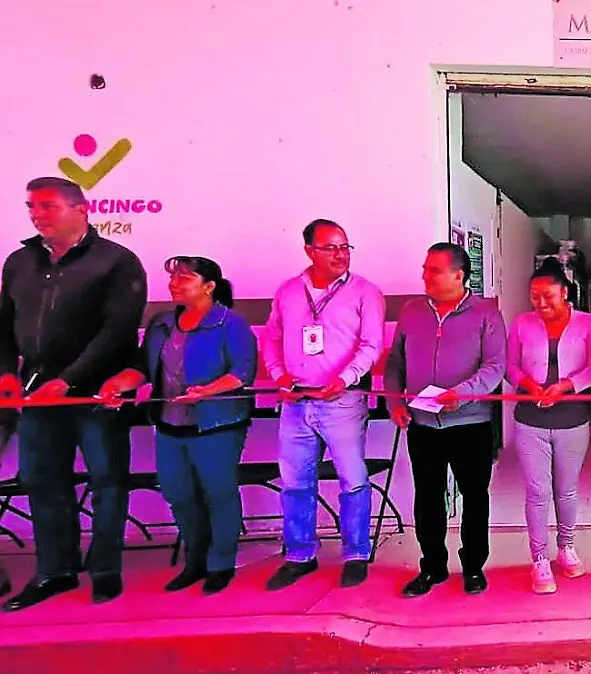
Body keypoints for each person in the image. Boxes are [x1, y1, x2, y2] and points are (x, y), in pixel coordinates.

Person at [0, 177, 147, 611]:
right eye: (31, 206)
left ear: (81, 209)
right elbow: (4, 325)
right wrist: (7, 373)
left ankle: (105, 570)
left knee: (106, 481)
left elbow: (117, 330)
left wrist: (67, 380)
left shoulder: (116, 261)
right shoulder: (19, 261)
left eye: (47, 206)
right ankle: (55, 570)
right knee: (42, 479)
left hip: (97, 393)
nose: (36, 214)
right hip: (36, 392)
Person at [99, 256, 257, 595]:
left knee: (218, 493)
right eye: (173, 278)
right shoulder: (161, 323)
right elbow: (143, 369)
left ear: (209, 286)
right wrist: (117, 385)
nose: (174, 284)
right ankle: (195, 559)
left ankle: (221, 564)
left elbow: (242, 373)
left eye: (185, 278)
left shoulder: (230, 324)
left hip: (217, 424)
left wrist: (206, 392)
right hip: (169, 424)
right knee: (177, 493)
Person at [260, 219, 386, 590]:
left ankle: (356, 554)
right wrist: (278, 375)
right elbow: (271, 338)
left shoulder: (365, 292)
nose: (340, 255)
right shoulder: (288, 291)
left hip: (342, 400)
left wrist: (344, 379)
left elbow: (372, 345)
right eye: (330, 248)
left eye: (345, 247)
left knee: (352, 480)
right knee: (295, 482)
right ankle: (300, 555)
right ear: (309, 251)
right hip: (296, 401)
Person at [387, 242, 506, 598]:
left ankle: (474, 567)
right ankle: (433, 567)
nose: (425, 276)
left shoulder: (486, 314)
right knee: (427, 497)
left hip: (470, 424)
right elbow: (395, 362)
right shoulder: (412, 312)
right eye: (425, 269)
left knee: (475, 496)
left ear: (458, 275)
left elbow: (495, 367)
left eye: (434, 270)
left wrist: (462, 393)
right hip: (422, 424)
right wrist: (395, 402)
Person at [505, 260, 591, 594]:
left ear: (565, 293)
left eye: (548, 295)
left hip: (572, 418)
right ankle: (539, 559)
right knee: (537, 491)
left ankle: (566, 547)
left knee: (567, 489)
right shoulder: (521, 324)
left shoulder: (588, 323)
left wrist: (566, 386)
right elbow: (510, 366)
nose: (541, 303)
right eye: (534, 296)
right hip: (530, 419)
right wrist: (529, 386)